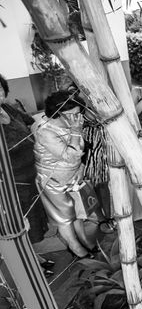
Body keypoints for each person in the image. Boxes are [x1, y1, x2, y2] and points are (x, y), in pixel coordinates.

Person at [33, 91, 93, 258]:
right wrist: (75, 131)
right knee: (64, 216)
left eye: (78, 113)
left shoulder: (71, 123)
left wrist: (81, 167)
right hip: (53, 180)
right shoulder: (45, 131)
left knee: (77, 211)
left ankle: (83, 239)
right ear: (58, 112)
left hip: (73, 175)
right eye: (72, 114)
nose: (77, 117)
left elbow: (82, 148)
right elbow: (69, 155)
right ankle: (75, 247)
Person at [0, 74, 49, 246]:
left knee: (35, 217)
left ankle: (37, 257)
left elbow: (31, 121)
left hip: (31, 172)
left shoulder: (9, 109)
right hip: (12, 181)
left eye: (0, 87)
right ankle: (29, 260)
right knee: (20, 219)